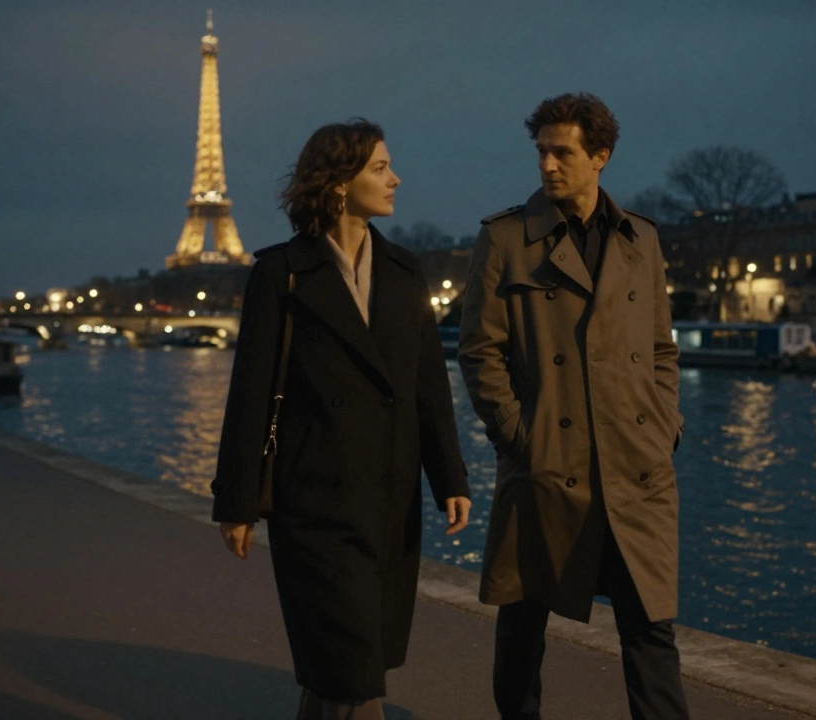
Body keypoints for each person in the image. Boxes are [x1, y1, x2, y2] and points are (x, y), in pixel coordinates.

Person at [212, 119, 472, 720]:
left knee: (345, 667)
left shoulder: (406, 273)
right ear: (336, 184)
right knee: (353, 670)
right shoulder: (282, 273)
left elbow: (428, 386)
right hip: (316, 503)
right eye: (380, 168)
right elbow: (250, 394)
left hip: (388, 498)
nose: (395, 178)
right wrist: (237, 501)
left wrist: (450, 478)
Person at [458, 93, 689, 720]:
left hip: (635, 463)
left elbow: (661, 348)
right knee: (522, 623)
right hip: (548, 464)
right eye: (542, 152)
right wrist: (520, 436)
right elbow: (480, 352)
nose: (548, 165)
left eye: (563, 153)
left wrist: (665, 422)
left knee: (650, 629)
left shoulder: (642, 238)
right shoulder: (505, 238)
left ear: (600, 158)